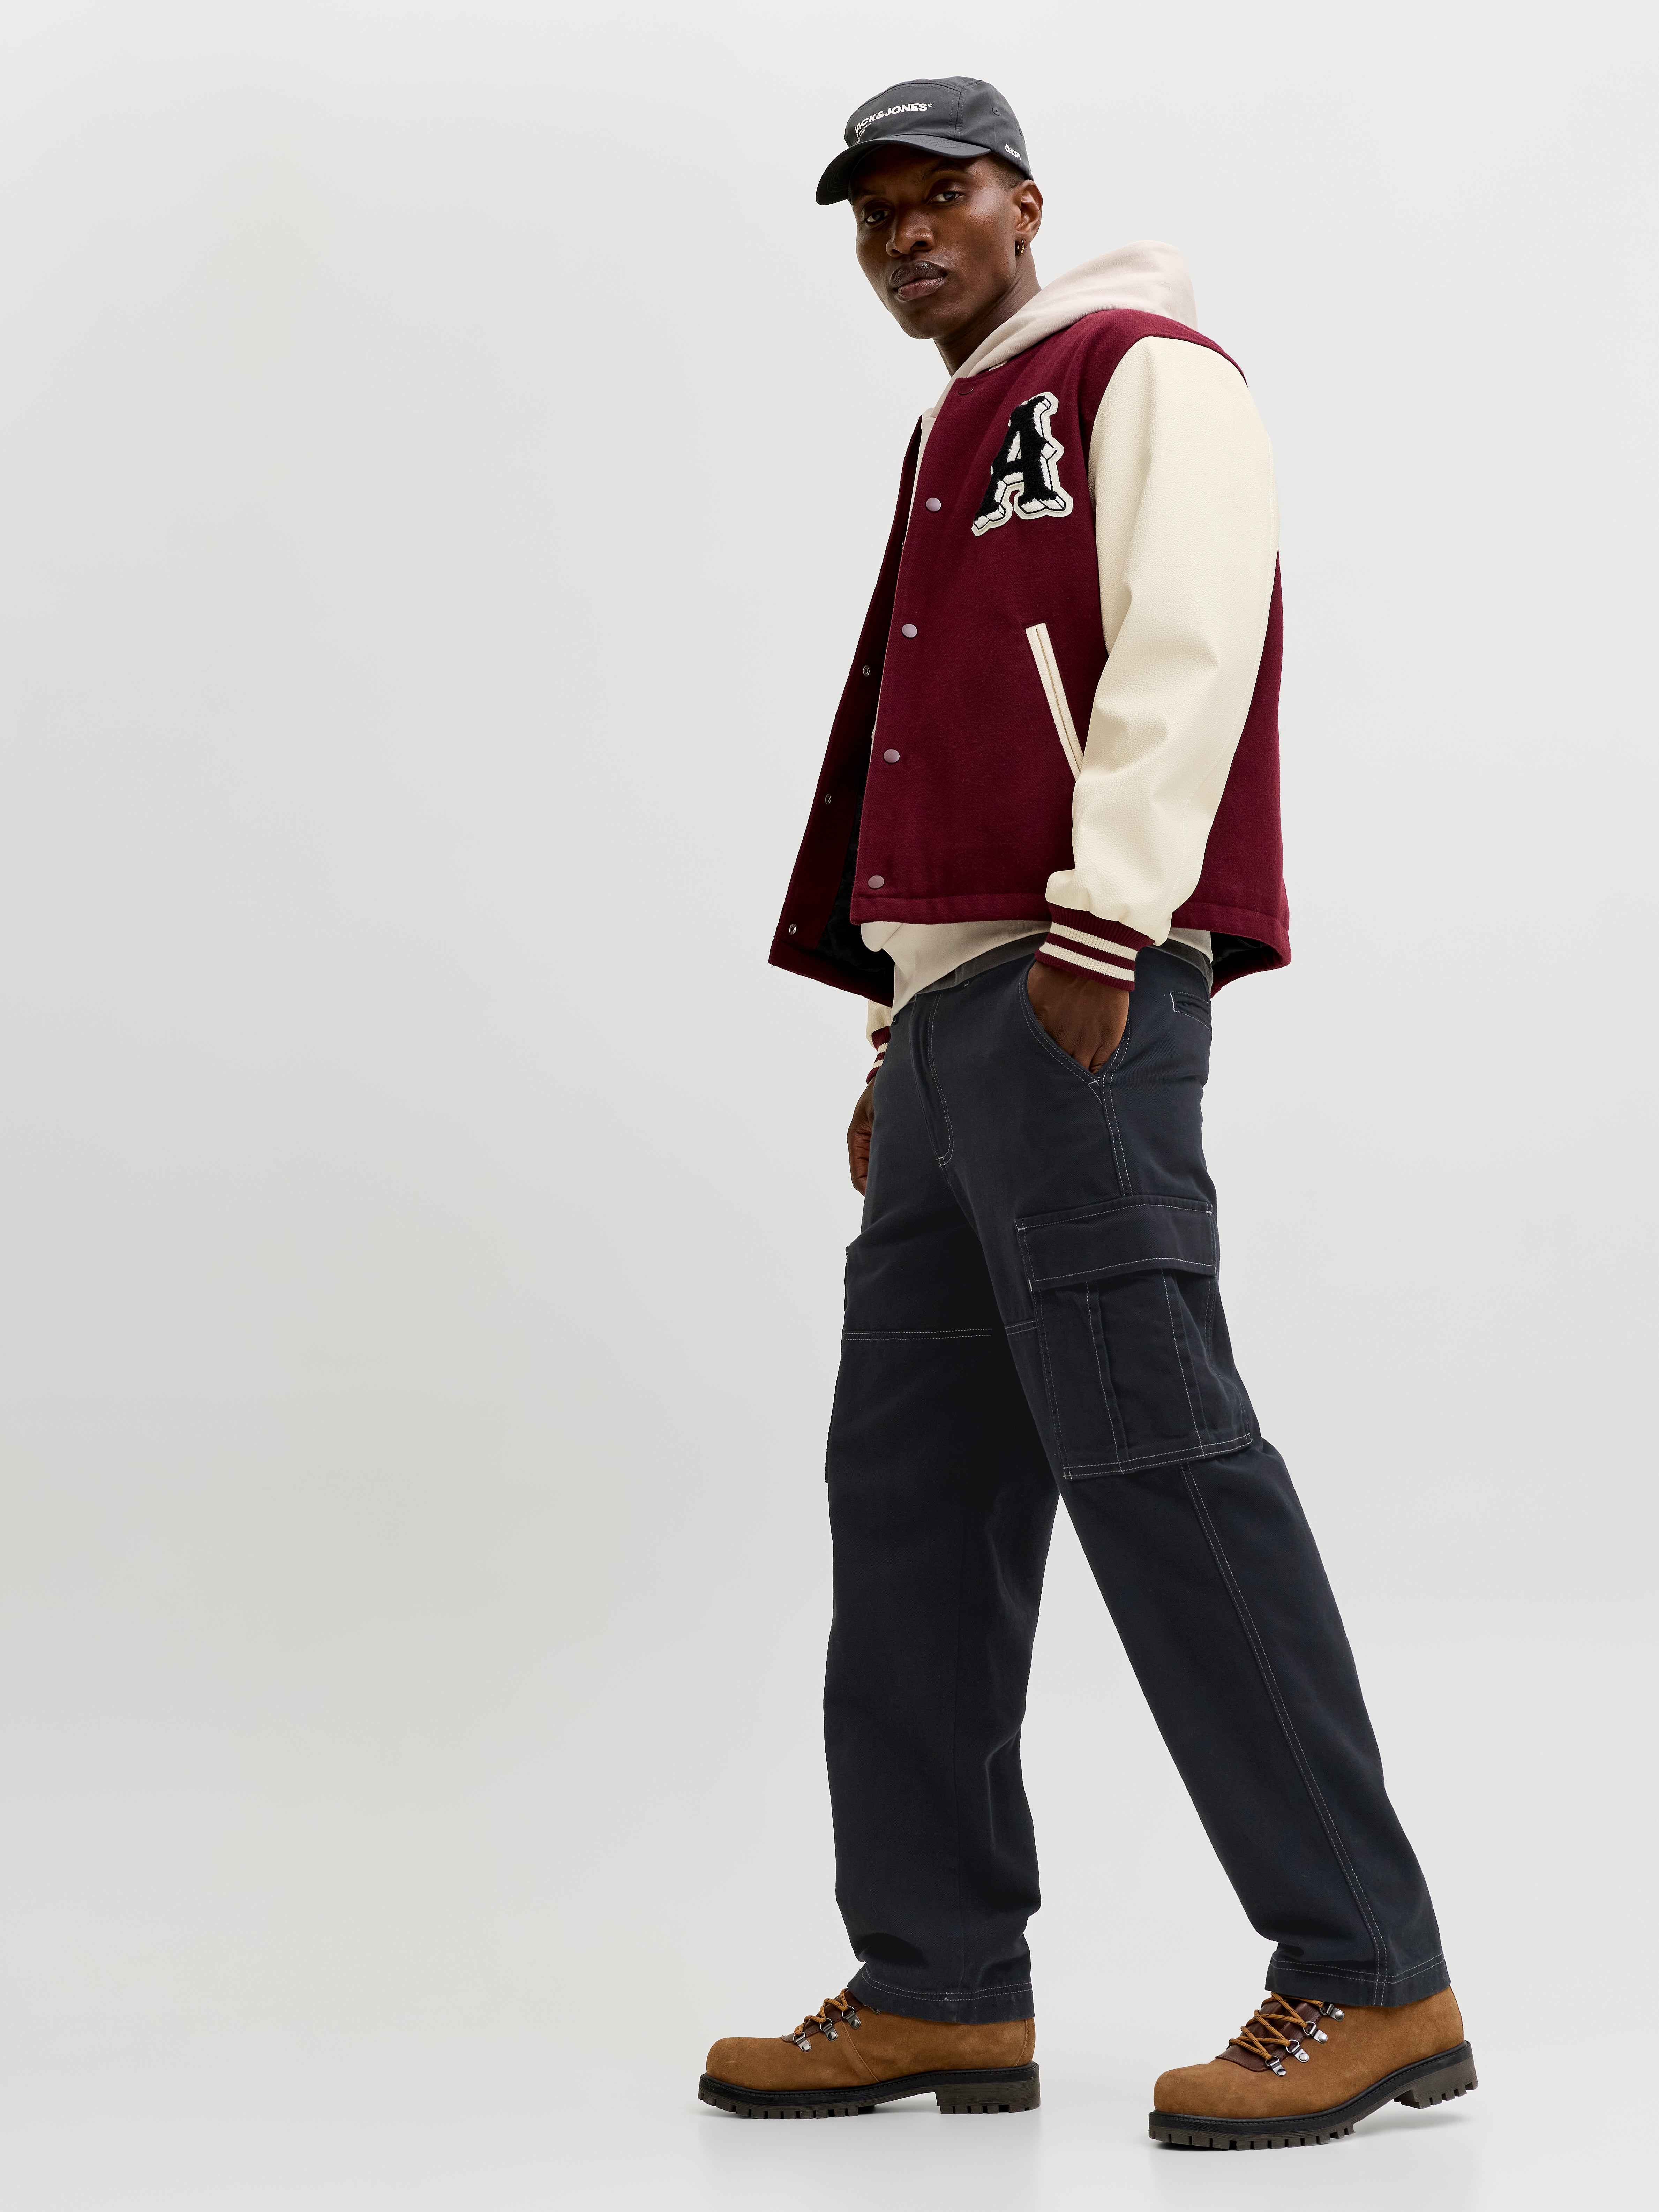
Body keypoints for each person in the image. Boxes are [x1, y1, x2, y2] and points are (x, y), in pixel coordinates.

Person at [699, 77, 1474, 2149]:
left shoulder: (1144, 371)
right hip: (959, 1021)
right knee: (912, 1498)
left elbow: (1190, 645)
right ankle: (937, 1981)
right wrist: (896, 1032)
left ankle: (1370, 1971)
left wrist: (1110, 920)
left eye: (937, 195)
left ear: (1023, 200)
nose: (904, 235)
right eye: (871, 212)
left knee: (1158, 1454)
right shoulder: (949, 431)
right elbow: (929, 742)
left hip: (1081, 988)